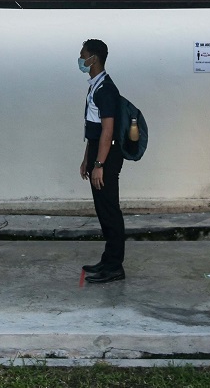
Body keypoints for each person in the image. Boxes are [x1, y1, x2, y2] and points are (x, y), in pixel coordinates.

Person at [78, 39, 126, 284]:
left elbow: (108, 130)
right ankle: (108, 259)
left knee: (109, 210)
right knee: (102, 208)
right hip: (98, 150)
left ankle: (115, 266)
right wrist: (88, 158)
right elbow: (94, 130)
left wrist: (99, 165)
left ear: (93, 58)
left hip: (108, 154)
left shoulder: (106, 88)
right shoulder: (95, 86)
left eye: (82, 55)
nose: (80, 59)